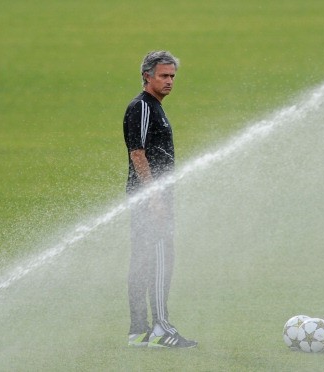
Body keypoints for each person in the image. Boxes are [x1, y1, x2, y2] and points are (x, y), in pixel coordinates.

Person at [123, 51, 197, 348]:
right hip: (150, 198)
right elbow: (137, 153)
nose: (169, 81)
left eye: (172, 76)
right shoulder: (141, 107)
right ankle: (161, 330)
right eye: (164, 76)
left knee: (142, 261)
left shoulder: (154, 107)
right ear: (147, 76)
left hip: (146, 197)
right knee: (160, 261)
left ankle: (138, 331)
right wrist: (154, 197)